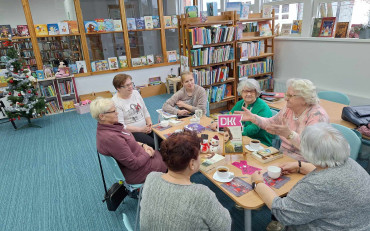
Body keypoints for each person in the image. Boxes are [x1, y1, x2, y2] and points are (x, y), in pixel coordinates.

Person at [250, 123, 370, 231]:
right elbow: (331, 176)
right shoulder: (350, 163)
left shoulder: (317, 184)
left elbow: (282, 213)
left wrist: (258, 183)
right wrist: (300, 166)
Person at [140, 130, 232, 231]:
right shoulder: (202, 194)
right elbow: (224, 226)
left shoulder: (151, 178)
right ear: (192, 164)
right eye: (199, 155)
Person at [236, 78, 329, 161]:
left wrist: (289, 134)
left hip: (306, 163)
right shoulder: (289, 108)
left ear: (304, 99)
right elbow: (271, 123)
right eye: (286, 94)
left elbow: (311, 148)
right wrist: (254, 118)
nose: (285, 98)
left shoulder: (317, 116)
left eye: (290, 96)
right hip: (282, 156)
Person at [91, 97, 167, 184]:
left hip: (142, 159)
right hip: (140, 171)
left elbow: (128, 142)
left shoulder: (111, 127)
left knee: (168, 152)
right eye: (113, 111)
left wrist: (143, 145)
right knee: (173, 159)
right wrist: (147, 154)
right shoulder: (112, 138)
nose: (117, 113)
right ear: (102, 116)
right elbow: (134, 164)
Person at [210, 79, 274, 146]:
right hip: (240, 139)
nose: (248, 94)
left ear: (256, 92)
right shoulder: (240, 103)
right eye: (245, 91)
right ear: (241, 92)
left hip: (259, 143)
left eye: (252, 91)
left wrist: (231, 131)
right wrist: (217, 123)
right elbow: (229, 117)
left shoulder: (262, 107)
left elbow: (252, 130)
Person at [112, 73, 155, 148]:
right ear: (118, 88)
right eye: (127, 85)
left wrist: (150, 124)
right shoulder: (115, 102)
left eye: (131, 83)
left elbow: (145, 110)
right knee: (153, 144)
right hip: (132, 132)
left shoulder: (135, 93)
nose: (131, 87)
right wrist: (141, 129)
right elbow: (121, 126)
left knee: (162, 139)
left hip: (145, 127)